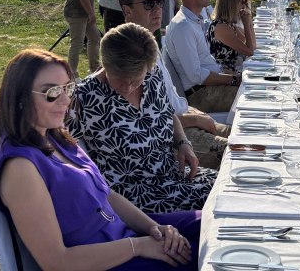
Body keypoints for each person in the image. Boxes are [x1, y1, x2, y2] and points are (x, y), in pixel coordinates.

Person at [0, 49, 200, 271]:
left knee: (211, 222)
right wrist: (139, 246)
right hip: (103, 261)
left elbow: (108, 195)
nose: (65, 100)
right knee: (203, 255)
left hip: (122, 237)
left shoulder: (53, 135)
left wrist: (157, 229)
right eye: (52, 92)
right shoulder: (20, 169)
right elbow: (57, 262)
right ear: (19, 97)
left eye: (68, 88)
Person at [68, 24, 216, 213]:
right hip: (135, 196)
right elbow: (69, 156)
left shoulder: (152, 77)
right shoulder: (83, 98)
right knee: (219, 201)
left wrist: (182, 142)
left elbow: (168, 115)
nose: (128, 87)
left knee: (230, 186)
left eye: (136, 79)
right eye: (120, 79)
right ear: (105, 63)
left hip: (173, 175)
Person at [118, 0, 230, 170]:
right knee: (237, 152)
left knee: (239, 134)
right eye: (148, 4)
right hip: (173, 136)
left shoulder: (150, 43)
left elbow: (171, 98)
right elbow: (148, 119)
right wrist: (194, 119)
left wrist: (194, 113)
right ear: (128, 12)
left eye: (159, 2)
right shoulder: (130, 57)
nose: (157, 9)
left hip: (184, 118)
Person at [164, 0, 240, 112]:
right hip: (201, 95)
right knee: (250, 98)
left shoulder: (192, 21)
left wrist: (229, 74)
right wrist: (233, 80)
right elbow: (196, 75)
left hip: (208, 88)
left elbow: (204, 62)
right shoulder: (183, 26)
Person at [206, 0, 256, 72]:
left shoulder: (229, 24)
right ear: (232, 5)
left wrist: (249, 21)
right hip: (226, 74)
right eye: (241, 1)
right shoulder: (221, 27)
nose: (243, 5)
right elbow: (249, 51)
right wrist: (246, 25)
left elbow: (253, 46)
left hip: (234, 69)